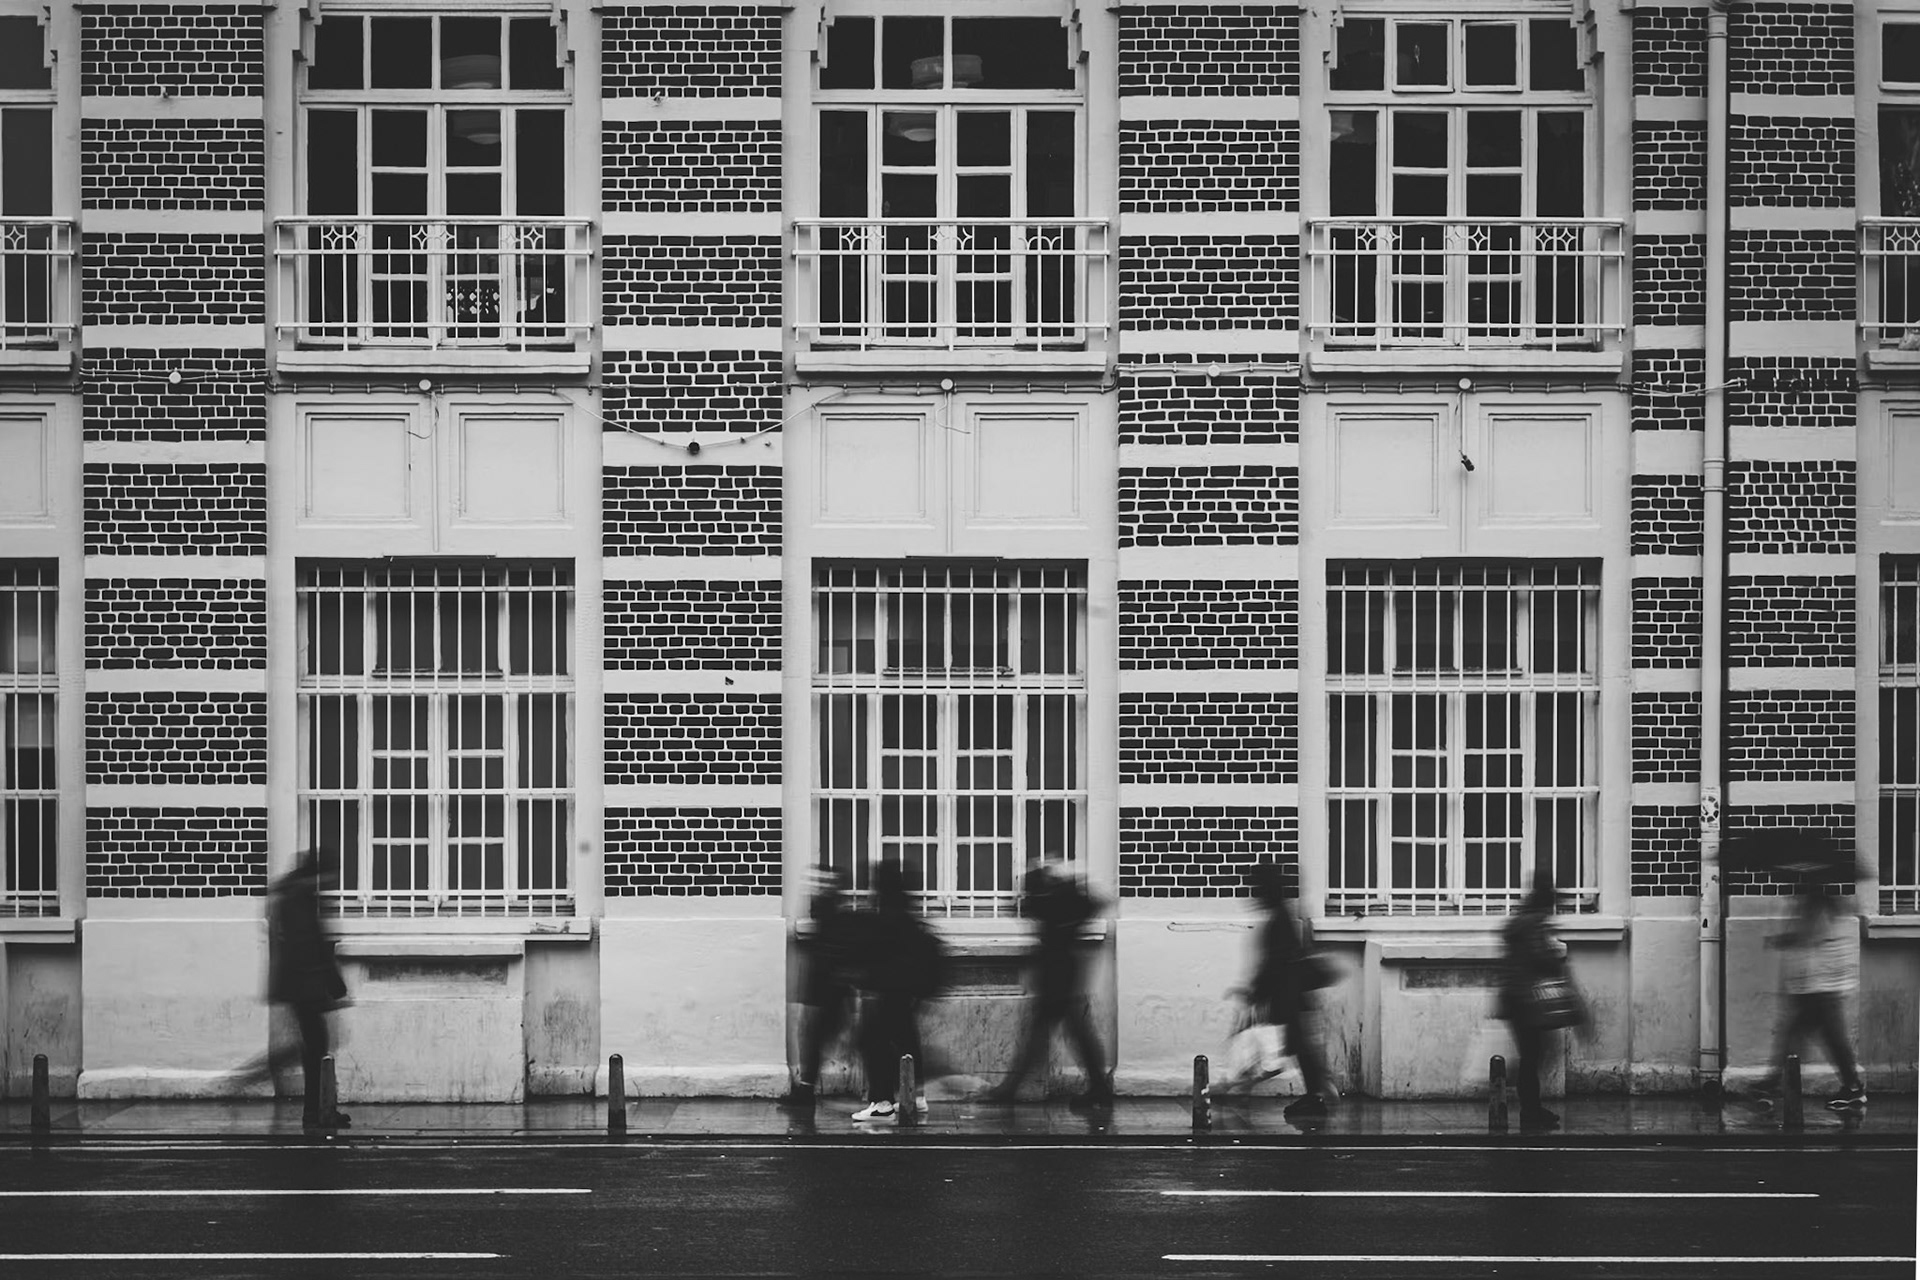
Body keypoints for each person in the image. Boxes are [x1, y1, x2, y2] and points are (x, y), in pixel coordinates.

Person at [230, 850, 351, 1131]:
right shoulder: (298, 898)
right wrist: (332, 983)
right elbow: (309, 944)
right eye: (329, 876)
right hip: (304, 986)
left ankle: (315, 1110)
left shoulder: (291, 894)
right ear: (318, 874)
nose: (331, 882)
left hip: (299, 985)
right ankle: (309, 1107)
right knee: (316, 1047)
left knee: (312, 1047)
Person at [985, 861, 1113, 1111]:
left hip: (1057, 976)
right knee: (1072, 1034)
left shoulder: (1051, 906)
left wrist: (1056, 882)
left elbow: (1026, 906)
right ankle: (1098, 1088)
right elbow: (1094, 903)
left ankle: (1009, 1090)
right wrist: (1065, 883)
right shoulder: (1066, 906)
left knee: (1046, 1035)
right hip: (1064, 973)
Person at [1755, 885, 1866, 1111]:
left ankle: (1772, 1084)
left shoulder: (1818, 910)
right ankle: (1773, 1083)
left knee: (1814, 1037)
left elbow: (1809, 938)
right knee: (1813, 1037)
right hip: (1816, 988)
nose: (1792, 896)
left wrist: (1782, 940)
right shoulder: (1818, 909)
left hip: (1819, 988)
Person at [850, 859, 945, 1122]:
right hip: (907, 991)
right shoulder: (904, 910)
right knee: (906, 1040)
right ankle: (916, 1096)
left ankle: (882, 1103)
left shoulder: (885, 913)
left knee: (872, 1042)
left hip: (888, 990)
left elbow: (876, 953)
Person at [1239, 862, 1334, 1121]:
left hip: (1288, 997)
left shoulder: (1279, 920)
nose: (1254, 896)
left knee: (1295, 1047)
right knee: (1297, 1047)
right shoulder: (1281, 916)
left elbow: (1274, 963)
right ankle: (1318, 1092)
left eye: (1257, 890)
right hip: (1290, 996)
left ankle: (1318, 1094)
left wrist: (1256, 992)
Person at [1498, 871, 1577, 1131]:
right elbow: (1539, 957)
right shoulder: (1534, 923)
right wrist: (1554, 956)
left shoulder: (1520, 920)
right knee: (1531, 1056)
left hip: (1515, 997)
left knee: (1530, 1055)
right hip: (1526, 999)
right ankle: (1530, 1110)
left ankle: (1530, 1107)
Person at [778, 867, 861, 1112]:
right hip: (825, 991)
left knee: (814, 1040)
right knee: (814, 1040)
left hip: (826, 993)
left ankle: (806, 1090)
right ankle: (806, 1088)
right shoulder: (833, 916)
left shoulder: (832, 916)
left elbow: (828, 951)